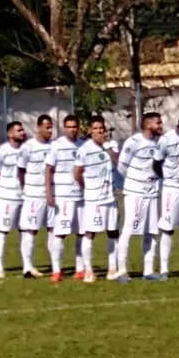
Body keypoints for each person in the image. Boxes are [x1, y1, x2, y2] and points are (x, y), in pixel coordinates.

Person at [117, 112, 164, 281]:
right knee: (129, 228)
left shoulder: (160, 143)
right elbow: (122, 166)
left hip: (152, 192)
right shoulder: (134, 142)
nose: (161, 126)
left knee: (152, 232)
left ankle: (148, 271)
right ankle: (122, 271)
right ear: (148, 124)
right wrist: (134, 181)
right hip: (135, 192)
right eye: (158, 123)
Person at [74, 116, 120, 283]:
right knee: (90, 233)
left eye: (101, 128)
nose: (99, 131)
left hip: (110, 198)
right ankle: (88, 270)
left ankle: (112, 269)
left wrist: (107, 147)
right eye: (95, 128)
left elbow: (118, 163)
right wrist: (87, 187)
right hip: (93, 199)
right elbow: (77, 173)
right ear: (90, 131)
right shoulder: (84, 149)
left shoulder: (110, 147)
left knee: (113, 232)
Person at [45, 115, 88, 282]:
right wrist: (49, 193)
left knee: (82, 233)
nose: (72, 129)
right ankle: (57, 270)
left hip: (80, 196)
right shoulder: (56, 146)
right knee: (60, 233)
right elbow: (48, 170)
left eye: (75, 126)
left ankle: (80, 269)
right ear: (64, 128)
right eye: (69, 127)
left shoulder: (83, 146)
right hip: (63, 196)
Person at [156, 113, 179, 278]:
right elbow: (156, 163)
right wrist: (166, 178)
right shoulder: (166, 139)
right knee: (167, 228)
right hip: (171, 189)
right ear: (178, 126)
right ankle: (164, 268)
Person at [16, 115, 54, 278]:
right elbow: (21, 170)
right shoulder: (28, 147)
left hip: (52, 193)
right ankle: (27, 267)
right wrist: (27, 188)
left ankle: (56, 265)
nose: (50, 130)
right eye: (47, 127)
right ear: (39, 127)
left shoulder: (54, 146)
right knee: (30, 230)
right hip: (34, 194)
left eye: (52, 127)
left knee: (53, 230)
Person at [0, 121, 27, 280]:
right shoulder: (1, 152)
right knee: (2, 231)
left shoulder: (27, 150)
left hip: (24, 196)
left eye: (23, 130)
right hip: (7, 197)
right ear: (10, 134)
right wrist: (6, 188)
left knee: (25, 231)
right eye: (19, 130)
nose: (23, 132)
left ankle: (28, 266)